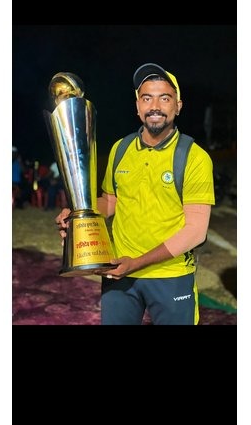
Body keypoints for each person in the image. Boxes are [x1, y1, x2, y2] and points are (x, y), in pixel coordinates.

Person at [55, 63, 215, 325]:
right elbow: (110, 201)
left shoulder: (194, 157)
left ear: (178, 106)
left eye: (165, 98)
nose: (155, 106)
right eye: (147, 98)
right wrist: (76, 216)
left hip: (170, 276)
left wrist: (137, 262)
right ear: (137, 106)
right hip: (119, 272)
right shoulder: (121, 148)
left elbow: (195, 231)